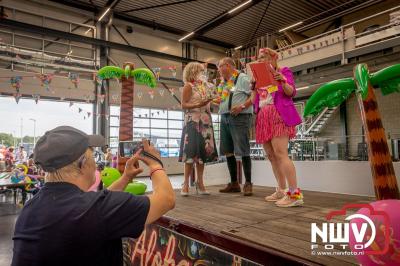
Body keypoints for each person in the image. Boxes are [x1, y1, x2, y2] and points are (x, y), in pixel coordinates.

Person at [12, 126, 175, 266]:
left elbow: (97, 204)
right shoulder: (96, 210)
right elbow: (166, 199)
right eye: (92, 155)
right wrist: (155, 164)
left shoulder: (30, 208)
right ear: (83, 164)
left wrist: (125, 178)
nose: (96, 164)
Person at [253, 48, 303, 207]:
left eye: (264, 57)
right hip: (263, 116)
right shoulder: (259, 76)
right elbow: (258, 99)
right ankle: (282, 189)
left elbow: (291, 92)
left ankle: (295, 194)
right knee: (271, 155)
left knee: (281, 153)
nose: (261, 60)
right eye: (259, 58)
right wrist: (253, 88)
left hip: (278, 114)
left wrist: (282, 80)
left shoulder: (284, 71)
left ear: (273, 58)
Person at [179, 62, 218, 196]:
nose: (203, 74)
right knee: (190, 152)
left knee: (203, 152)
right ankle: (185, 184)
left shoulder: (206, 86)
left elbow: (215, 100)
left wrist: (217, 96)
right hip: (192, 121)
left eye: (204, 72)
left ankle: (200, 183)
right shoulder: (188, 86)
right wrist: (198, 103)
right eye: (201, 71)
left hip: (206, 121)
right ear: (193, 72)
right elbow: (183, 105)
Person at [217, 57, 254, 196]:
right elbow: (224, 99)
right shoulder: (224, 83)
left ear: (228, 66)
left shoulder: (243, 78)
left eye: (220, 66)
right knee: (228, 151)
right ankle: (234, 184)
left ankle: (248, 183)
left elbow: (254, 96)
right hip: (225, 117)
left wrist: (242, 106)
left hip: (240, 117)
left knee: (243, 149)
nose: (219, 69)